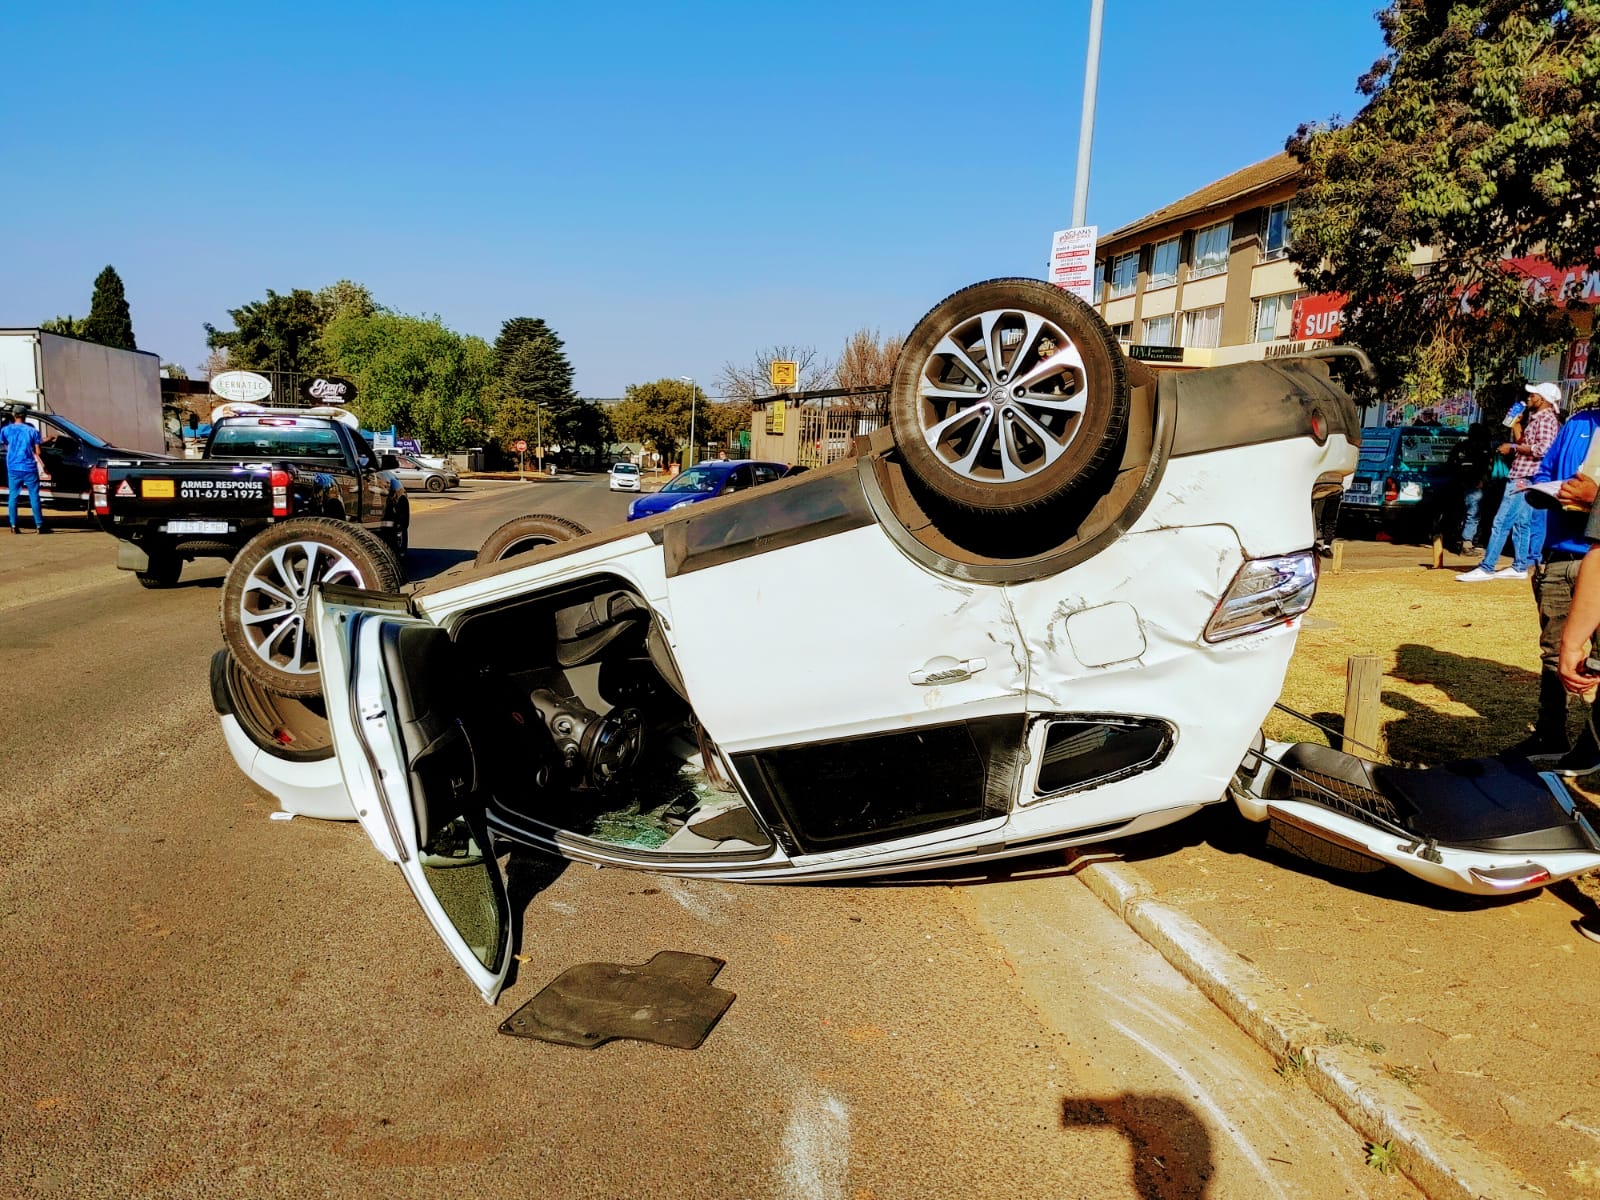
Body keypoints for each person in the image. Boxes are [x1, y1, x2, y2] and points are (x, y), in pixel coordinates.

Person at [1506, 395, 1600, 768]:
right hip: (1561, 554)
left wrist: (1595, 500)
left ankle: (1591, 747)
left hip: (1591, 552)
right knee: (1555, 652)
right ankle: (1550, 732)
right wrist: (1548, 492)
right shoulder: (1577, 425)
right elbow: (1543, 476)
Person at [1456, 382, 1561, 582]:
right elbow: (1529, 445)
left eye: (1533, 395)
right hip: (1523, 475)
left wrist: (1513, 448)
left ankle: (1487, 567)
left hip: (1524, 477)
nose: (1529, 398)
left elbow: (1544, 449)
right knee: (1521, 524)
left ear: (1543, 399)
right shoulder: (1538, 418)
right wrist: (1517, 427)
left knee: (1501, 521)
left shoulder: (1546, 420)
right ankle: (1520, 566)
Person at [2, 410, 50, 534]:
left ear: (14, 415)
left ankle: (13, 525)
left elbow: (5, 444)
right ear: (26, 416)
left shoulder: (6, 430)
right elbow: (38, 452)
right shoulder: (32, 431)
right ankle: (39, 525)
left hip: (13, 466)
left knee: (13, 496)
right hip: (29, 467)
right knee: (34, 496)